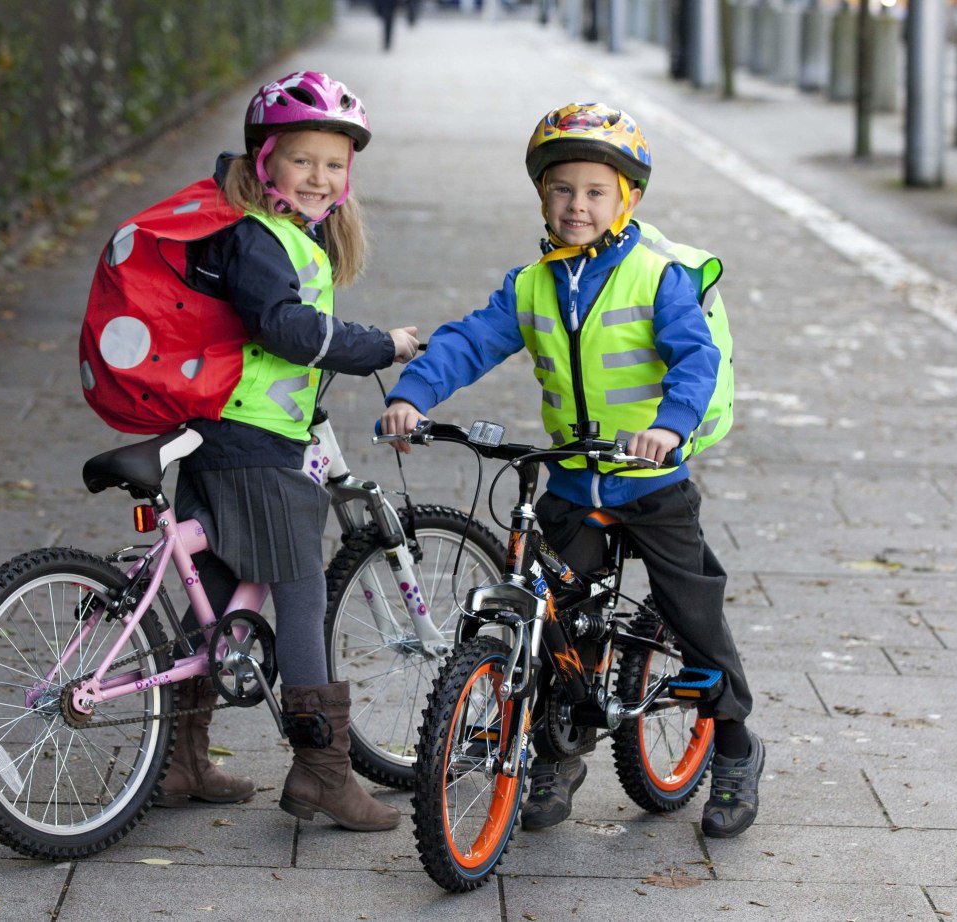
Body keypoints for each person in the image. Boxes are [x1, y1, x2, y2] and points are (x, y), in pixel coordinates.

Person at [379, 103, 762, 839]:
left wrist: (666, 428)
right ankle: (556, 753)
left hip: (651, 480)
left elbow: (695, 361)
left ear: (628, 200)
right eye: (561, 190)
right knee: (555, 613)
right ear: (541, 197)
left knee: (694, 614)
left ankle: (738, 749)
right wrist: (412, 394)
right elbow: (470, 341)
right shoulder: (532, 284)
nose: (576, 205)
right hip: (571, 482)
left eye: (594, 191)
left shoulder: (658, 277)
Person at [153, 71, 418, 832]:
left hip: (218, 432)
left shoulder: (272, 233)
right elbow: (285, 327)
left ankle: (181, 760)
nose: (319, 177)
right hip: (255, 442)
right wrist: (379, 346)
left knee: (211, 585)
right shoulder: (258, 235)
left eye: (334, 165)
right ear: (264, 160)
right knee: (301, 589)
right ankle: (322, 773)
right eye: (302, 160)